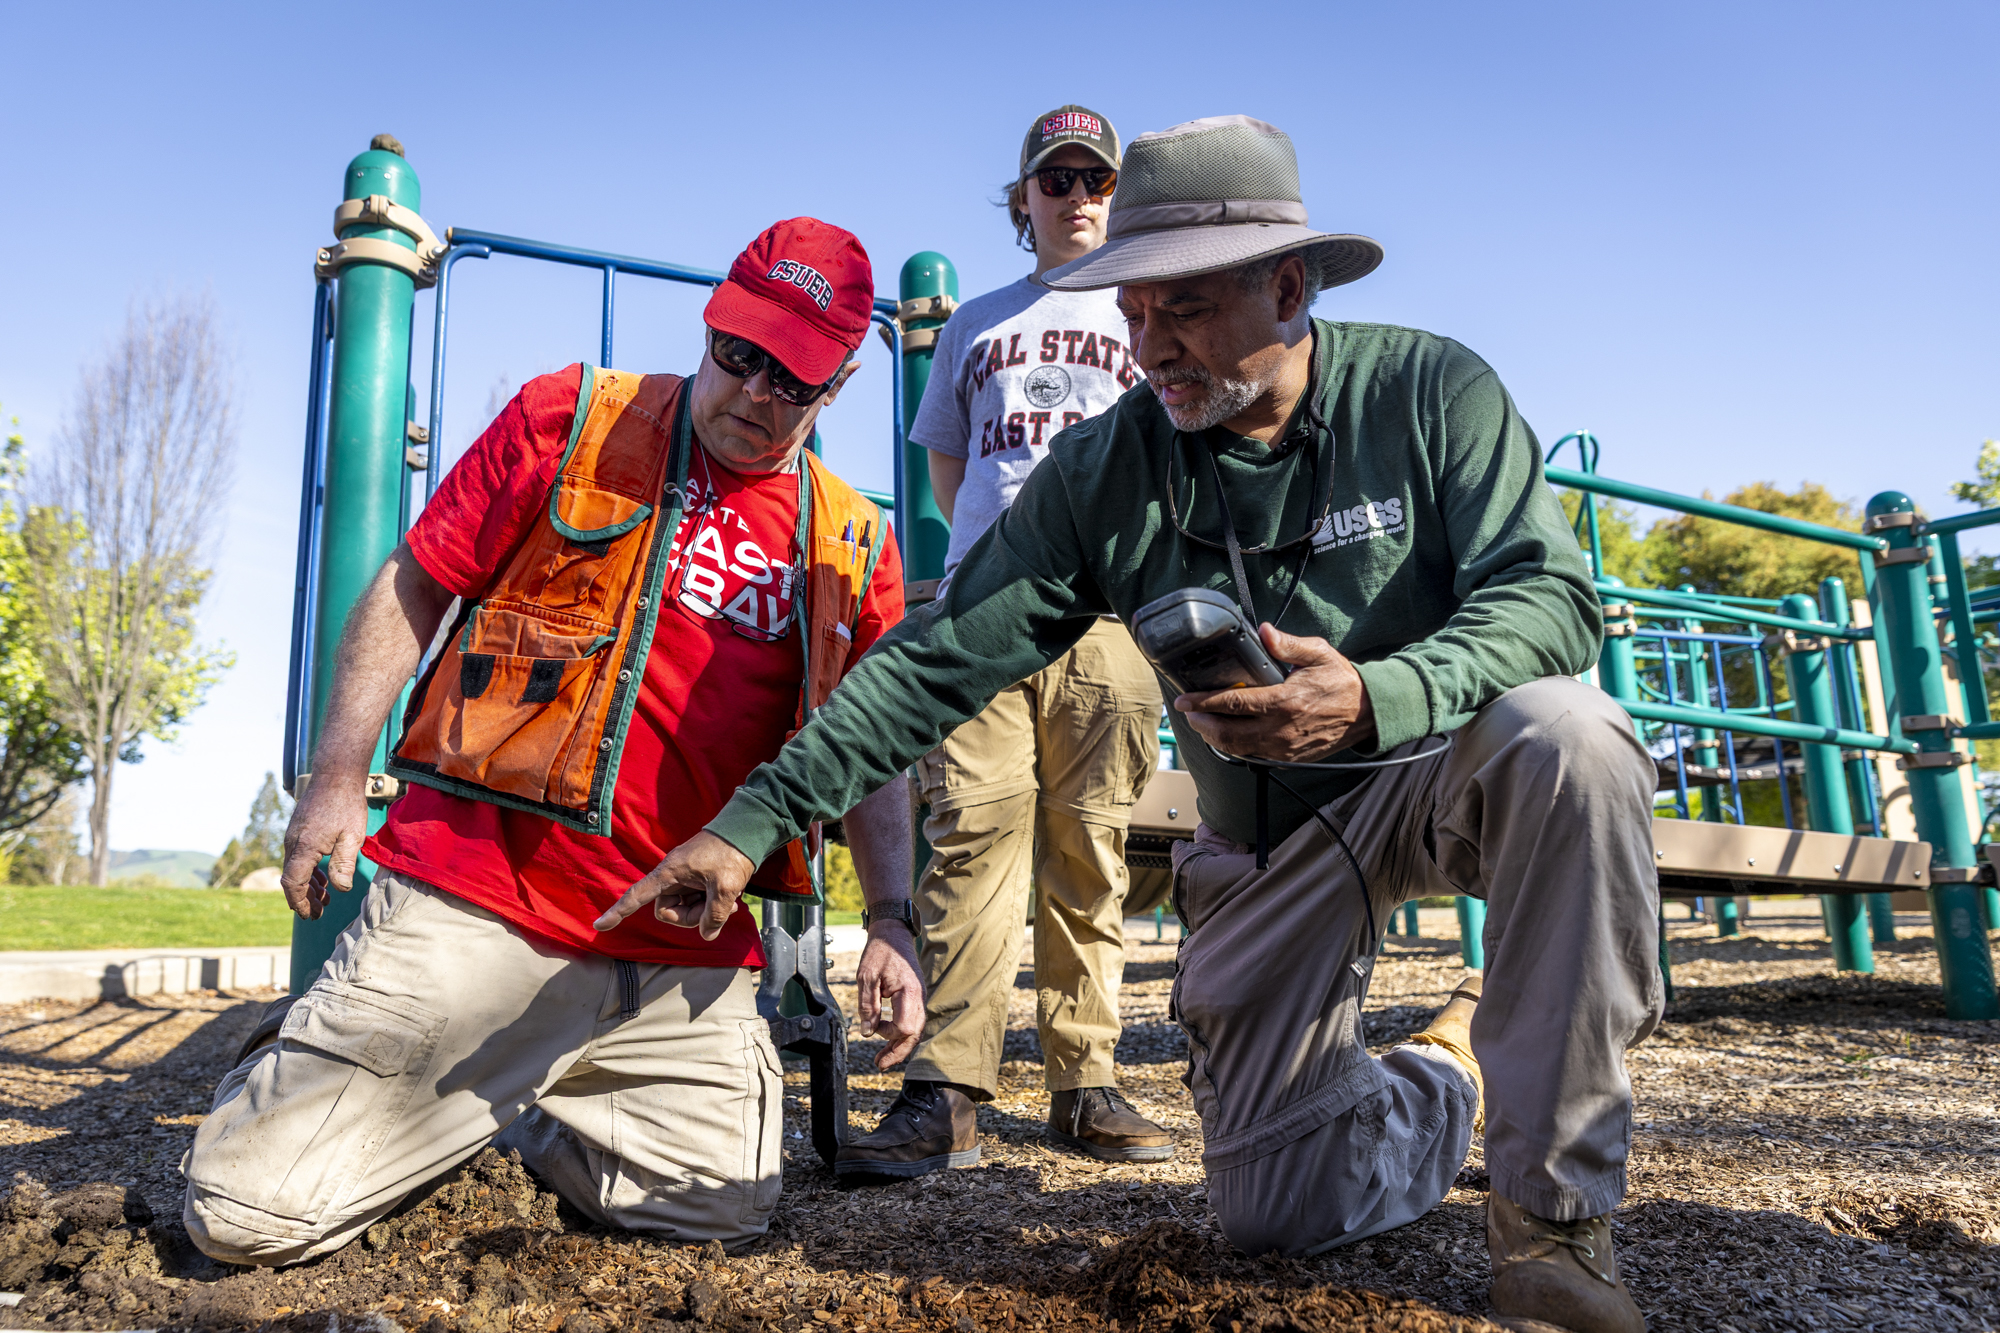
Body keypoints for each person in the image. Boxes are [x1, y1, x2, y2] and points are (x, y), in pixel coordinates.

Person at [602, 119, 1661, 1333]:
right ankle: (1446, 1068)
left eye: (1184, 311)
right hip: (1267, 835)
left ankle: (1556, 1222)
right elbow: (939, 657)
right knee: (1277, 1209)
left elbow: (1549, 598)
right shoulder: (1109, 464)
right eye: (1132, 310)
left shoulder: (1430, 388)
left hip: (1438, 763)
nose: (1146, 347)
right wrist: (748, 827)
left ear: (1286, 284)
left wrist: (1377, 693)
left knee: (1572, 738)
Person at [181, 218, 924, 1266]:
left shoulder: (850, 539)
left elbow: (874, 748)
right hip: (484, 905)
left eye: (789, 380)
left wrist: (892, 918)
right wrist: (338, 772)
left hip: (679, 952)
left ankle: (504, 1103)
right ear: (712, 323)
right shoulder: (569, 420)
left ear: (836, 386)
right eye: (736, 354)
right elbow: (414, 582)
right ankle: (327, 1067)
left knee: (719, 1211)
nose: (751, 392)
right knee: (246, 1218)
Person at [835, 104, 1172, 1181]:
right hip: (987, 609)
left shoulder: (1146, 315)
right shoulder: (977, 323)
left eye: (1094, 180)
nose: (1077, 197)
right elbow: (950, 473)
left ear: (1114, 194)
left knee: (1091, 845)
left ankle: (1084, 1081)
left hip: (1110, 611)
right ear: (1022, 200)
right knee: (971, 831)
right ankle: (948, 1090)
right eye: (1055, 180)